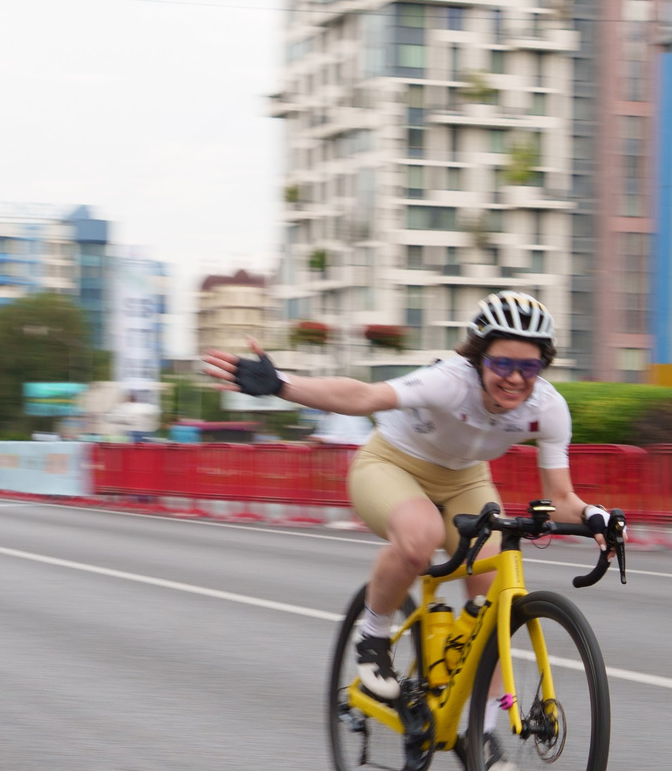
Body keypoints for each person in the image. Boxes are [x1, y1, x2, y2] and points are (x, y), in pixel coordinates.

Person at [202, 292, 608, 745]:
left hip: (466, 481)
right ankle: (374, 638)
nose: (514, 379)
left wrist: (596, 516)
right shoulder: (450, 381)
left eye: (528, 368)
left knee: (493, 591)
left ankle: (481, 732)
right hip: (392, 464)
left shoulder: (548, 408)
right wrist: (282, 385)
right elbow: (364, 396)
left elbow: (561, 497)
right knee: (421, 536)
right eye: (501, 364)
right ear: (479, 358)